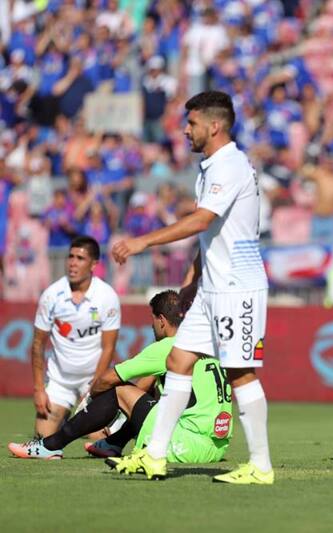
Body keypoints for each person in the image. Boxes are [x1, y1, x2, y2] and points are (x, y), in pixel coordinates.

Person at [109, 90, 272, 484]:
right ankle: (155, 456)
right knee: (178, 361)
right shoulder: (211, 166)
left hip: (238, 288)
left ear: (213, 126)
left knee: (240, 374)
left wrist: (142, 241)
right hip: (212, 289)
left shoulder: (230, 165)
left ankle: (260, 466)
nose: (185, 130)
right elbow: (218, 232)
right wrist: (193, 280)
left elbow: (201, 222)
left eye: (192, 123)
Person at [7, 290, 232, 464]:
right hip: (216, 447)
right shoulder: (205, 343)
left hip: (187, 447)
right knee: (151, 393)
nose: (152, 325)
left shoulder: (167, 347)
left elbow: (110, 378)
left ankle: (51, 444)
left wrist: (90, 399)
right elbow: (147, 392)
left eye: (153, 320)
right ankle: (112, 444)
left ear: (161, 320)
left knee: (118, 390)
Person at [28, 236, 120, 439]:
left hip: (92, 380)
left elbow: (109, 347)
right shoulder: (51, 295)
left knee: (99, 442)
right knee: (43, 440)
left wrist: (95, 387)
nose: (72, 263)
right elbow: (37, 344)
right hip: (60, 380)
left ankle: (102, 419)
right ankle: (62, 412)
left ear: (94, 264)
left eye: (80, 258)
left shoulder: (107, 296)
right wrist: (38, 390)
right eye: (70, 257)